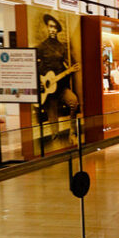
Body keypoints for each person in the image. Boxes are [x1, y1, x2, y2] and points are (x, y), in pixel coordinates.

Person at [36, 13, 79, 144]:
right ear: (47, 28)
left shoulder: (62, 47)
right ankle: (55, 140)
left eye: (55, 28)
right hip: (48, 90)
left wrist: (70, 70)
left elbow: (67, 64)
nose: (53, 30)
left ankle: (72, 132)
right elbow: (35, 66)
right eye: (51, 27)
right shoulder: (41, 47)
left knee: (74, 102)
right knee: (52, 117)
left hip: (61, 86)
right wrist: (41, 81)